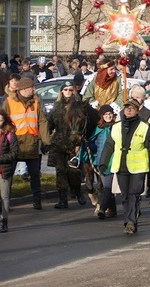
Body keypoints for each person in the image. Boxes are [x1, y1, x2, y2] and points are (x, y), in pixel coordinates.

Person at [99, 99, 150, 235]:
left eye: (132, 108)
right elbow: (108, 146)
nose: (129, 110)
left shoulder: (144, 127)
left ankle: (131, 221)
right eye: (126, 107)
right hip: (120, 167)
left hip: (138, 168)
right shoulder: (116, 127)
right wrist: (103, 163)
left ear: (137, 110)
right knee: (125, 196)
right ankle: (129, 219)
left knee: (134, 194)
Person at [2, 76, 49, 209]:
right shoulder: (9, 102)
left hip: (32, 143)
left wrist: (45, 141)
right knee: (8, 174)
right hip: (14, 144)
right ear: (22, 89)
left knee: (35, 174)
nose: (33, 90)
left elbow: (42, 121)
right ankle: (5, 202)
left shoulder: (36, 102)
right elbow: (3, 121)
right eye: (31, 88)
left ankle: (37, 200)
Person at [48, 80, 89, 209]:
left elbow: (82, 124)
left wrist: (80, 141)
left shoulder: (77, 106)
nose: (68, 92)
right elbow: (49, 124)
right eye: (65, 90)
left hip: (73, 143)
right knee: (60, 171)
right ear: (61, 91)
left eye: (70, 90)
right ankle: (62, 199)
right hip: (59, 143)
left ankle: (78, 192)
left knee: (74, 171)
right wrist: (46, 140)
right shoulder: (56, 107)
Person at [0, 108, 18, 232]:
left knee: (5, 195)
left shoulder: (10, 134)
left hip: (5, 168)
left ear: (4, 121)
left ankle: (4, 221)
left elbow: (14, 154)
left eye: (0, 121)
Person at [94, 105, 117, 219]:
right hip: (101, 161)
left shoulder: (116, 127)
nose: (108, 116)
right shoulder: (98, 129)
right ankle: (113, 210)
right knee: (106, 186)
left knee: (108, 186)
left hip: (113, 161)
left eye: (110, 114)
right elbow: (94, 145)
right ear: (102, 116)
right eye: (105, 114)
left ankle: (102, 208)